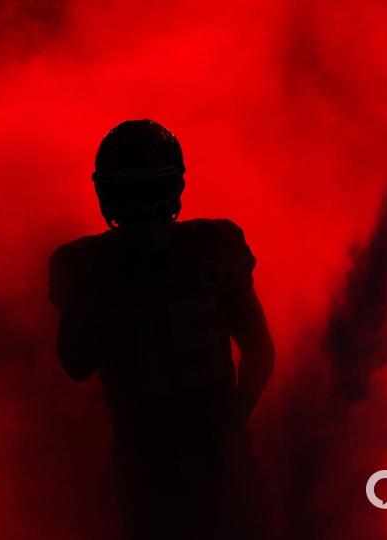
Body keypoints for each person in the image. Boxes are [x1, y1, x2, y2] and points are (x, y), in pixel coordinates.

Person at [48, 120, 275, 539]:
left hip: (208, 445)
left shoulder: (214, 245)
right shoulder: (85, 265)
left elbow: (259, 348)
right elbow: (75, 362)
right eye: (130, 193)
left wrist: (232, 420)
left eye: (147, 190)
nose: (141, 207)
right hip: (147, 454)